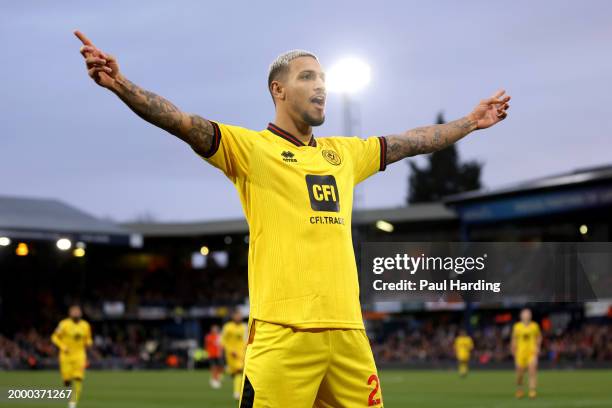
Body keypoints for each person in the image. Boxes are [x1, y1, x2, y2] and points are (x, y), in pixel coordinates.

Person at [74, 29, 510, 407]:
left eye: (323, 78)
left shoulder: (344, 154)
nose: (321, 87)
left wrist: (470, 121)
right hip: (283, 335)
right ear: (277, 90)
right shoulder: (250, 150)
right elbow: (183, 123)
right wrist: (121, 84)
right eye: (307, 77)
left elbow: (411, 141)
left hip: (348, 335)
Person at [51, 305, 92, 408]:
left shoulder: (85, 325)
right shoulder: (64, 324)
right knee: (67, 380)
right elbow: (54, 337)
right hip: (66, 356)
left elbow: (88, 339)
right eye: (74, 312)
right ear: (70, 313)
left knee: (78, 378)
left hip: (80, 355)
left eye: (78, 312)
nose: (76, 313)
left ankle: (72, 404)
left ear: (81, 313)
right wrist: (62, 346)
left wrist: (89, 343)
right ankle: (67, 384)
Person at [511, 308, 542, 399]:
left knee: (532, 371)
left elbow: (539, 336)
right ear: (521, 316)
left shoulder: (534, 326)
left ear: (530, 316)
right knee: (519, 374)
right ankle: (520, 389)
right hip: (520, 352)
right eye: (525, 314)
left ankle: (532, 391)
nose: (526, 315)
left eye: (528, 314)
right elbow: (514, 339)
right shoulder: (517, 326)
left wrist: (538, 346)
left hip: (532, 352)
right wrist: (513, 349)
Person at [221, 311, 247, 400]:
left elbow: (246, 340)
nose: (239, 317)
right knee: (236, 373)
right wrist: (230, 350)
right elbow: (223, 341)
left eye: (240, 315)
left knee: (240, 371)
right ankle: (225, 373)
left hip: (242, 354)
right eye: (237, 315)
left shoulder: (244, 327)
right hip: (231, 354)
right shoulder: (228, 327)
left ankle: (237, 393)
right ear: (233, 316)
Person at [205, 324, 223, 389]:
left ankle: (217, 378)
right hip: (211, 354)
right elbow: (207, 345)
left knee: (219, 367)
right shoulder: (208, 336)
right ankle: (214, 379)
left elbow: (221, 345)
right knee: (213, 367)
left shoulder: (219, 336)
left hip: (218, 354)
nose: (215, 330)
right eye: (214, 329)